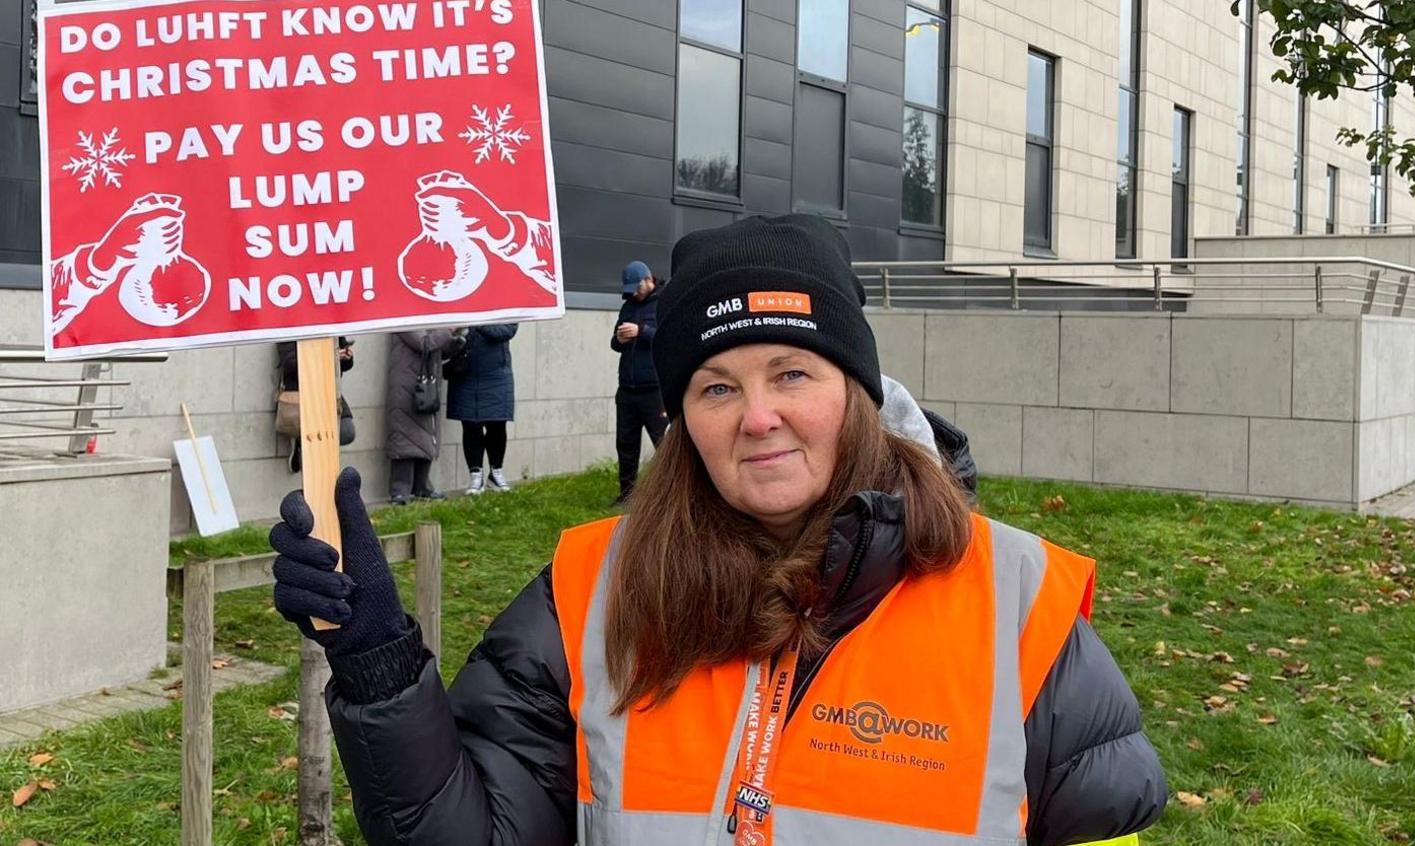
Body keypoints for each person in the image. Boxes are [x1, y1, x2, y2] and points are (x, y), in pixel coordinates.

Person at [269, 215, 1166, 846]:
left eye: (792, 374)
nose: (758, 417)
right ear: (686, 417)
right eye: (717, 387)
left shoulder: (1017, 605)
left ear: (856, 394)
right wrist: (378, 664)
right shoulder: (593, 591)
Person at [611, 260, 667, 504]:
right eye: (630, 290)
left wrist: (641, 331)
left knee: (663, 444)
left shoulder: (665, 303)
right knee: (625, 442)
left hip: (654, 389)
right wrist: (620, 339)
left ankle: (669, 495)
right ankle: (627, 494)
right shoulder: (627, 307)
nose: (633, 293)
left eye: (636, 288)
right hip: (627, 388)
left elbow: (668, 338)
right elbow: (614, 344)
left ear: (648, 280)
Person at [385, 329, 462, 504]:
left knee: (427, 436)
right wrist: (448, 331)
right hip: (406, 386)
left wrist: (457, 341)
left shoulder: (429, 320)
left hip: (425, 384)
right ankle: (399, 491)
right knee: (404, 437)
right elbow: (424, 343)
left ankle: (422, 486)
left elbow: (437, 348)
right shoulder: (404, 317)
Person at [447, 323, 520, 494]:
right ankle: (475, 475)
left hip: (496, 374)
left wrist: (476, 322)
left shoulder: (505, 303)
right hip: (465, 372)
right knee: (471, 426)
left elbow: (506, 330)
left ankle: (496, 473)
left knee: (497, 425)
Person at [276, 337, 355, 473]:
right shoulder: (290, 325)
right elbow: (289, 364)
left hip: (327, 389)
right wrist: (326, 358)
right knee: (321, 433)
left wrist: (346, 357)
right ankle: (304, 443)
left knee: (346, 432)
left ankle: (305, 442)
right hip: (301, 390)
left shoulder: (330, 324)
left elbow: (344, 364)